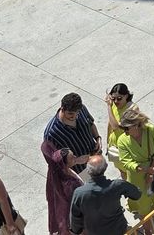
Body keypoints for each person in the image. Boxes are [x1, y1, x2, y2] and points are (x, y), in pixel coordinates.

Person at [43, 93, 102, 235]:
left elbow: (91, 123)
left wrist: (98, 138)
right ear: (62, 108)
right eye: (70, 114)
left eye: (77, 113)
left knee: (100, 195)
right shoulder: (51, 133)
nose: (74, 116)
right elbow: (55, 163)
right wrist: (76, 160)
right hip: (79, 173)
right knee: (89, 202)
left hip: (95, 161)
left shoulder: (82, 111)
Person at [70, 153, 142, 235]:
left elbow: (75, 218)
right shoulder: (117, 185)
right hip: (118, 229)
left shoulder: (79, 193)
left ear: (88, 171)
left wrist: (76, 231)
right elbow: (137, 194)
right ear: (105, 167)